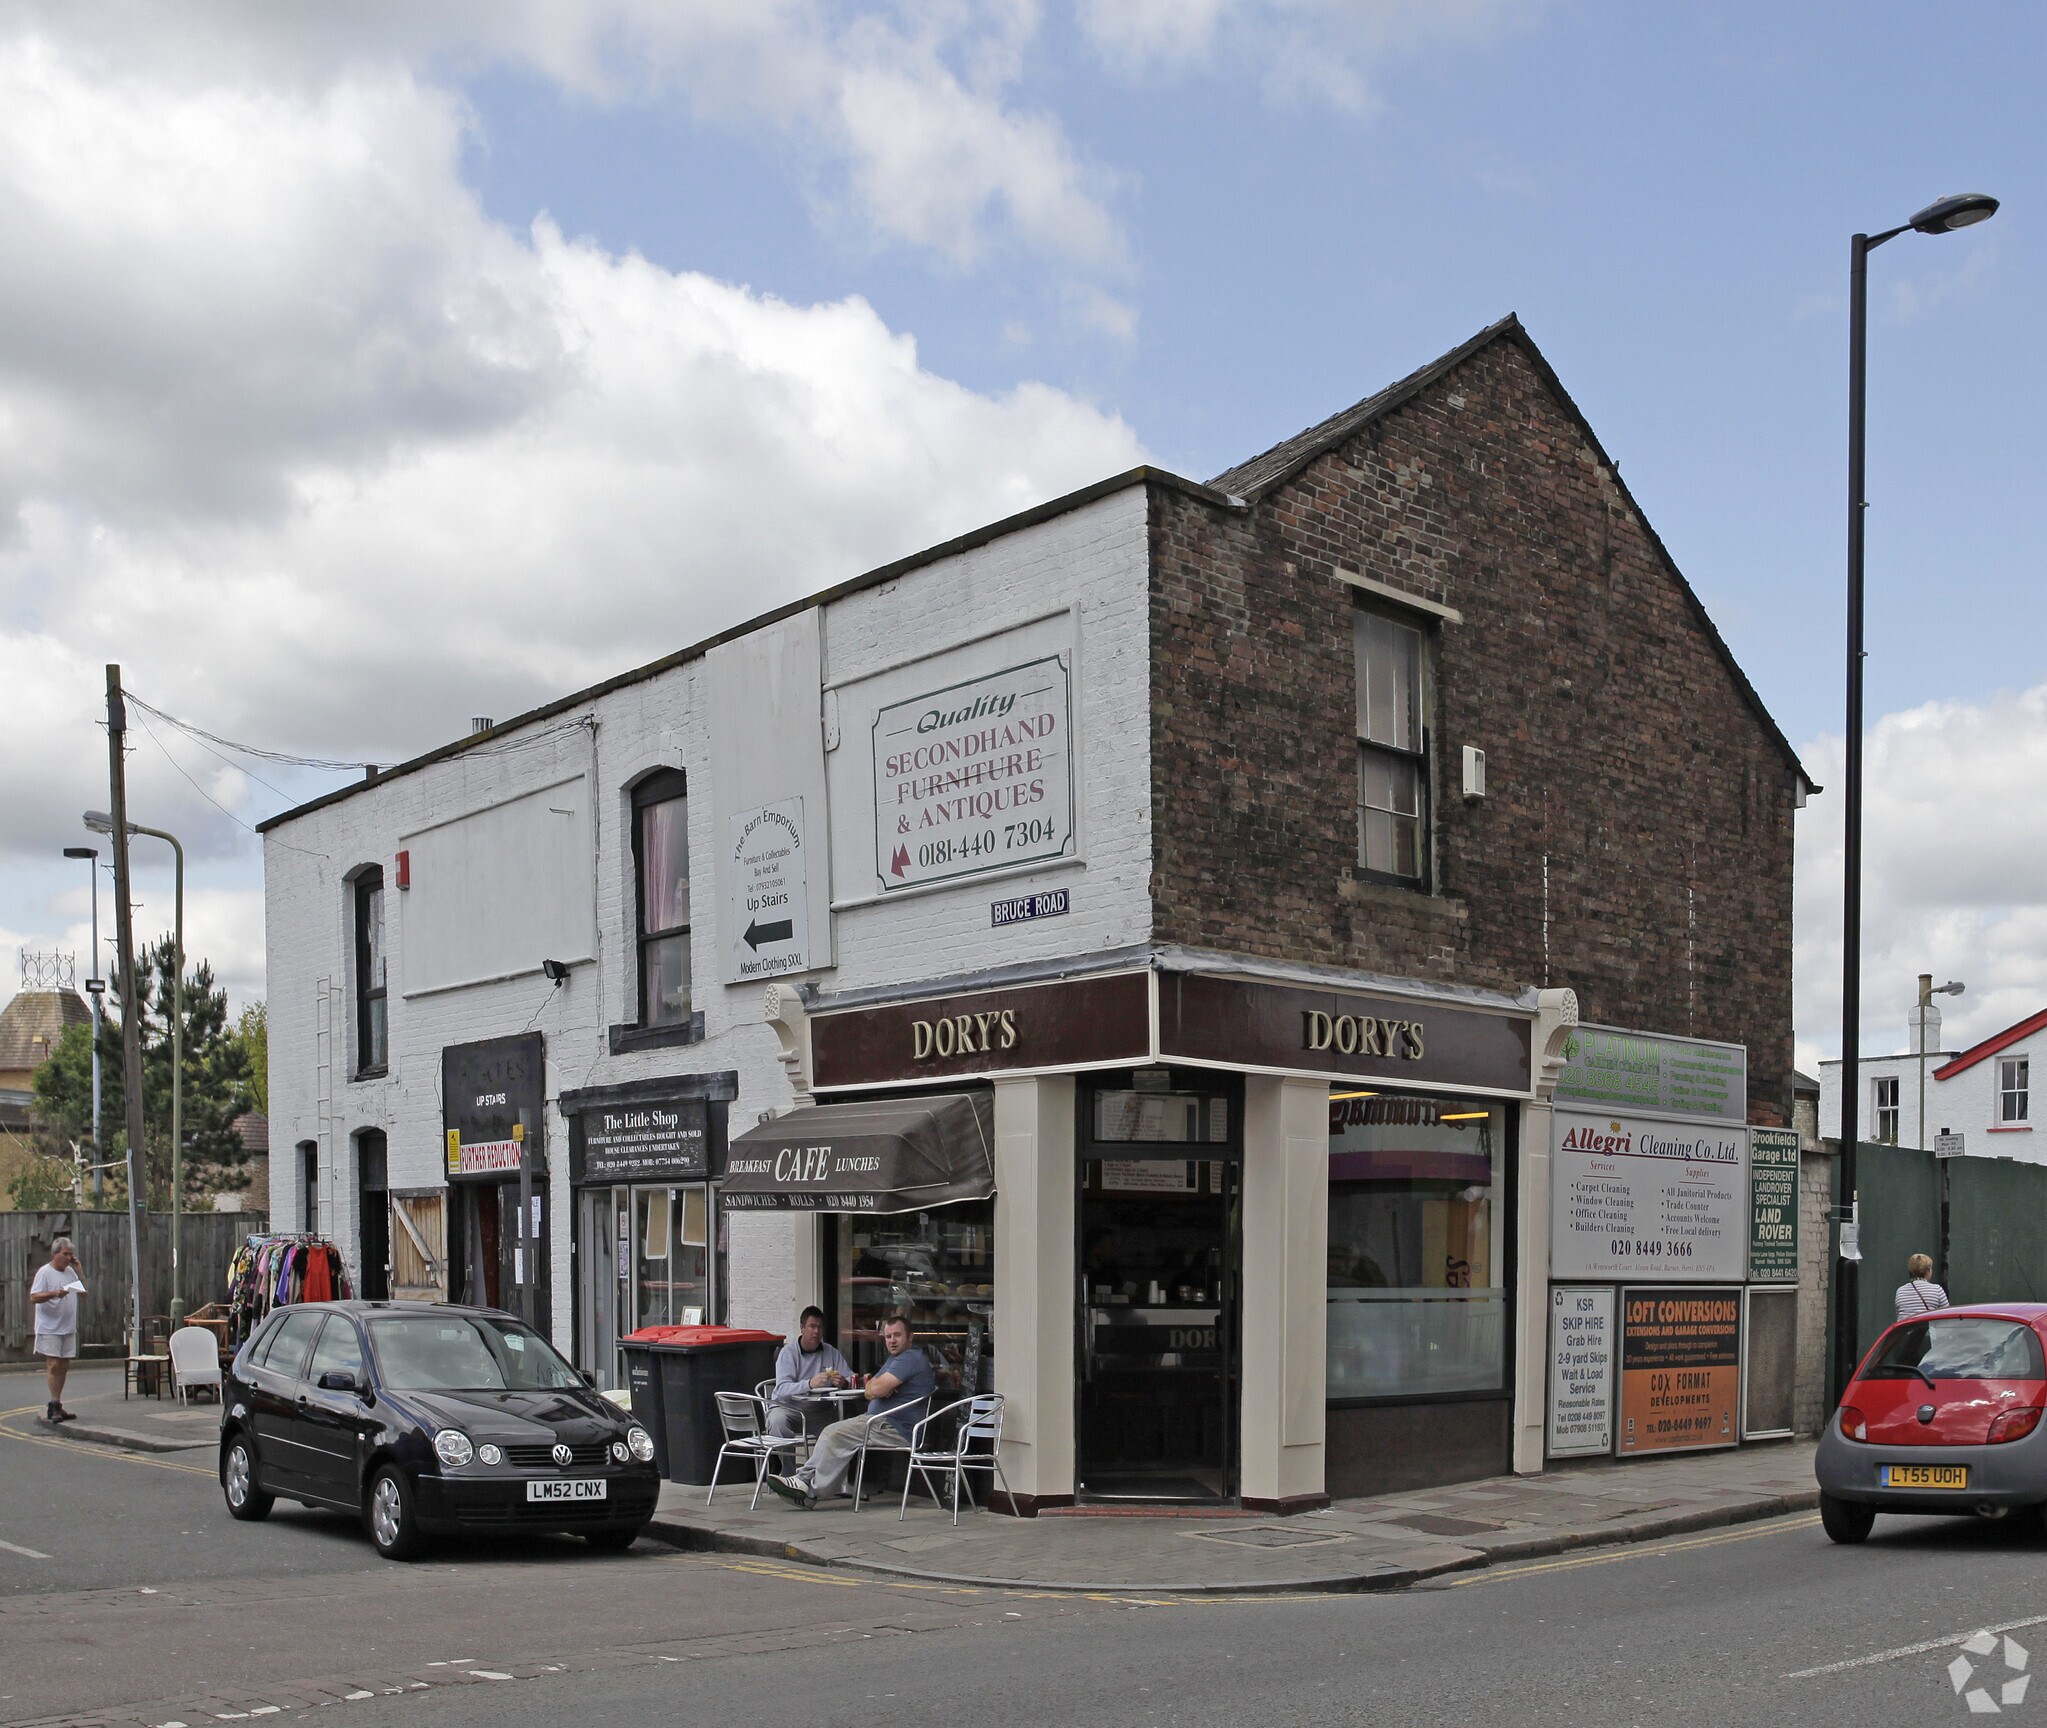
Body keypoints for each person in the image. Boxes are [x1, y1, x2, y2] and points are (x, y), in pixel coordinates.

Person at [764, 1313, 934, 1509]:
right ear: (802, 1328)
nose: (892, 1341)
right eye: (888, 1337)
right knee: (832, 1431)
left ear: (910, 1337)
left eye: (897, 1335)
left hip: (893, 1426)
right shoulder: (895, 1359)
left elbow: (872, 1389)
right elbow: (870, 1387)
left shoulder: (910, 1358)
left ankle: (810, 1491)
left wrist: (875, 1387)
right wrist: (877, 1387)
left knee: (834, 1433)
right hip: (877, 1421)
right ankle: (802, 1481)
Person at [767, 1306, 853, 1440]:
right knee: (777, 1421)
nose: (816, 1331)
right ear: (802, 1328)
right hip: (789, 1409)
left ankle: (823, 1462)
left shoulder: (831, 1352)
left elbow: (850, 1377)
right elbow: (782, 1388)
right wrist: (809, 1384)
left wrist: (844, 1382)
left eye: (820, 1327)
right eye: (812, 1326)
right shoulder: (788, 1353)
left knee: (843, 1429)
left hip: (820, 1411)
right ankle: (784, 1462)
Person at [30, 1238, 87, 1423]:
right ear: (55, 1254)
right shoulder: (45, 1273)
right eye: (65, 1254)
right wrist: (54, 1293)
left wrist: (79, 1270)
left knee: (64, 1365)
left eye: (71, 1254)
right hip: (49, 1326)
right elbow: (34, 1297)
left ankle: (58, 1403)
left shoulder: (70, 1271)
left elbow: (84, 1292)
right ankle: (53, 1405)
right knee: (53, 1364)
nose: (69, 1258)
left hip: (67, 1326)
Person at [1895, 1253, 1951, 1322]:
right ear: (1927, 1271)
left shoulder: (1900, 1291)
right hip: (1927, 1331)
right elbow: (1947, 1316)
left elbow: (1899, 1314)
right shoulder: (1937, 1290)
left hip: (1905, 1331)